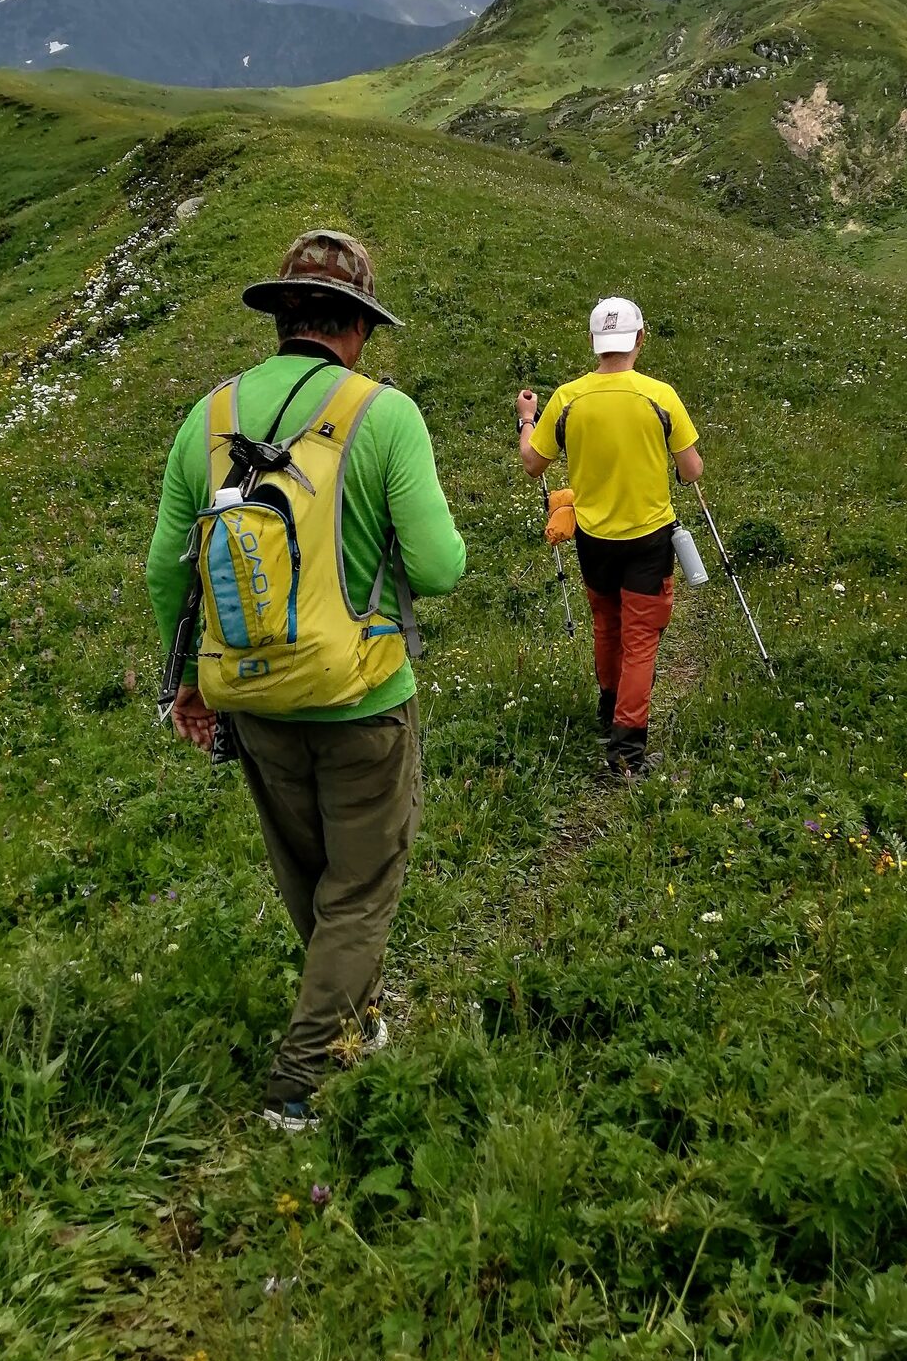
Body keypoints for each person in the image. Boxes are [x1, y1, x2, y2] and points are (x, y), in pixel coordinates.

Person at [147, 228, 465, 1132]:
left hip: (248, 692)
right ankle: (301, 1082)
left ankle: (350, 1022)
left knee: (313, 878)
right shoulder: (384, 414)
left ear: (283, 315)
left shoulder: (206, 419)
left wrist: (188, 681)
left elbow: (166, 569)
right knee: (361, 890)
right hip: (361, 695)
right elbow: (440, 568)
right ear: (358, 327)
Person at [515, 296, 702, 778]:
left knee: (607, 626)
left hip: (593, 538)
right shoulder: (661, 396)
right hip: (649, 537)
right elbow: (692, 469)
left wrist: (526, 419)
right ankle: (626, 751)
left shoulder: (568, 398)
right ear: (640, 339)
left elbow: (534, 463)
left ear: (596, 343)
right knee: (641, 639)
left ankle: (608, 713)